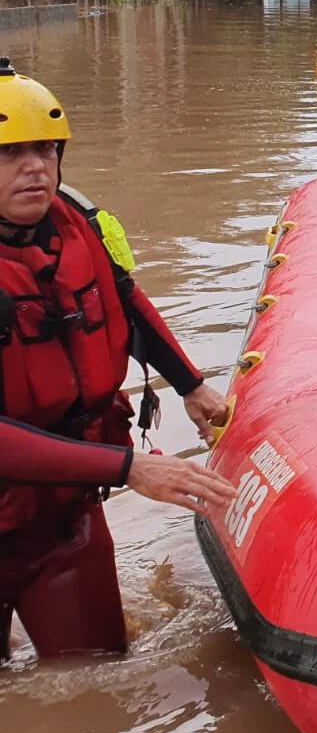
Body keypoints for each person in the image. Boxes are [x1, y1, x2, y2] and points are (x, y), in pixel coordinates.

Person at [0, 59, 237, 661]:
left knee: (95, 674)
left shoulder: (78, 226)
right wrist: (128, 467)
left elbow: (123, 302)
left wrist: (190, 384)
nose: (36, 167)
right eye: (10, 154)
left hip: (62, 515)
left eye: (46, 150)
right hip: (39, 484)